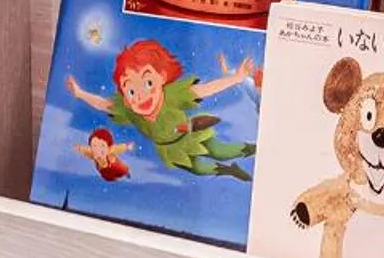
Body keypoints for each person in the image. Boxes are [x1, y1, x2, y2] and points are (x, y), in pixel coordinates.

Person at [64, 38, 257, 179]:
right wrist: (80, 94)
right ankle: (228, 170)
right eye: (131, 91)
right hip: (169, 150)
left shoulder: (172, 94)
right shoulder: (129, 109)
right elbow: (104, 104)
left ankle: (254, 148)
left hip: (190, 133)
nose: (141, 96)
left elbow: (204, 90)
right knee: (200, 169)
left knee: (220, 151)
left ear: (162, 76)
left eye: (148, 83)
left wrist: (236, 78)